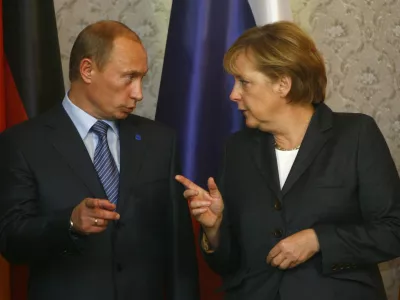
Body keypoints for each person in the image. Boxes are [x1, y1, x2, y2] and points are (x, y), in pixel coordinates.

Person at [176, 21, 400, 300]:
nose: (233, 94)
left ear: (283, 83)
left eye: (244, 82)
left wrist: (318, 240)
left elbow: (392, 231)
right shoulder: (237, 149)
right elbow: (227, 264)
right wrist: (215, 228)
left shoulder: (355, 135)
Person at [0, 20, 199, 300]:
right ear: (87, 70)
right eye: (128, 77)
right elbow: (12, 241)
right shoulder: (23, 143)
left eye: (142, 78)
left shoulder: (160, 141)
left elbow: (180, 250)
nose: (138, 93)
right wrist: (68, 223)